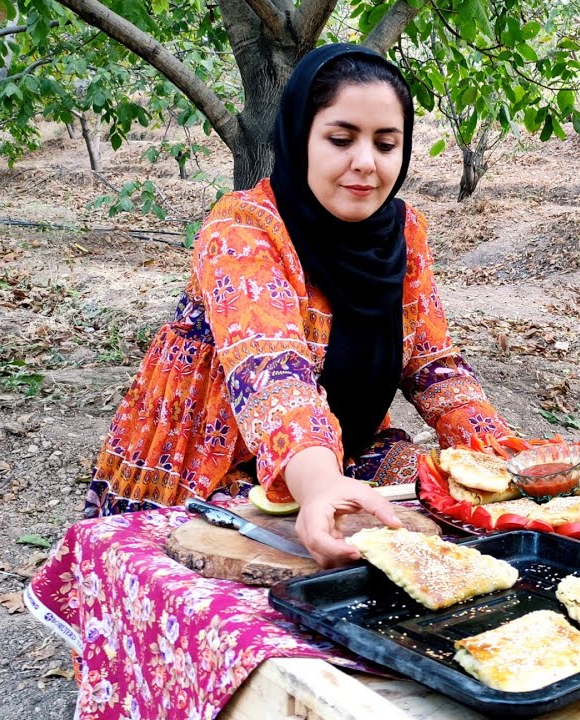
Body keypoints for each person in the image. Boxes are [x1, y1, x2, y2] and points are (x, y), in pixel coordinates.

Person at [83, 44, 513, 566]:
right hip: (217, 460)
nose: (365, 163)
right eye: (340, 139)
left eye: (386, 144)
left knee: (466, 521)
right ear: (300, 137)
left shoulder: (403, 230)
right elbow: (270, 373)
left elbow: (431, 363)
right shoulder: (243, 228)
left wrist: (503, 453)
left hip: (344, 449)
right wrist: (319, 487)